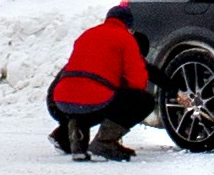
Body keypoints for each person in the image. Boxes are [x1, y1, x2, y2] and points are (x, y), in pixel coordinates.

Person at [45, 8, 155, 160]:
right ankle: (104, 143)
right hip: (93, 98)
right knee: (144, 101)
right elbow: (137, 80)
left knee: (85, 97)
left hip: (62, 99)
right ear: (128, 25)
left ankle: (78, 144)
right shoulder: (125, 38)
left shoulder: (87, 34)